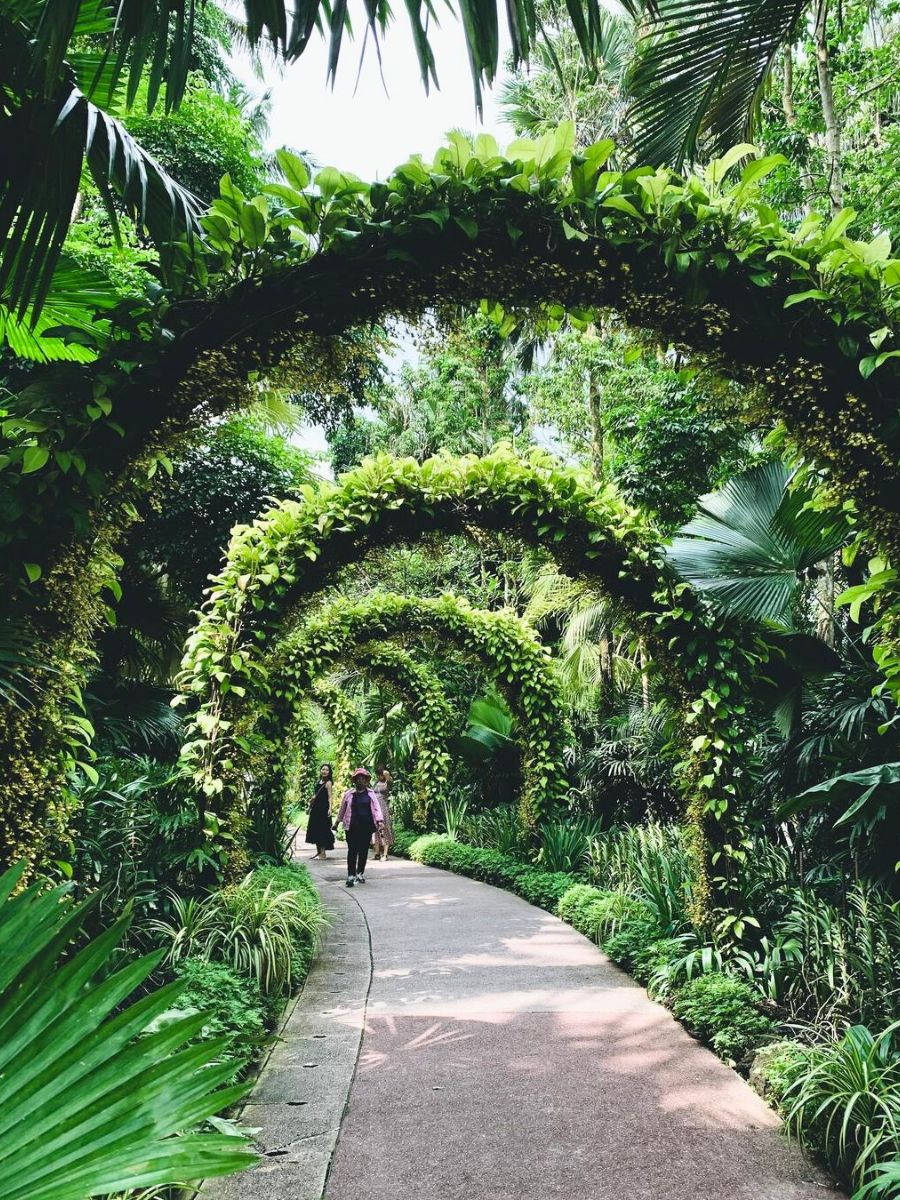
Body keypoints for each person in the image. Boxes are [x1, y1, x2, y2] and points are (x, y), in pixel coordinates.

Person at [334, 767, 385, 887]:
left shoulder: (371, 794)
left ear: (366, 781)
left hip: (366, 826)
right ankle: (350, 875)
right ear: (354, 780)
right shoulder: (348, 794)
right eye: (358, 778)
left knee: (363, 851)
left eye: (363, 778)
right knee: (352, 850)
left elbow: (377, 809)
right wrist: (336, 823)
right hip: (351, 826)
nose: (360, 780)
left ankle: (360, 873)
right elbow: (342, 809)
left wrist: (380, 821)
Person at [305, 763, 336, 859]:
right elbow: (316, 795)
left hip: (323, 809)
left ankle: (323, 853)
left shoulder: (328, 783)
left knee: (323, 830)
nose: (324, 771)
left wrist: (330, 809)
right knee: (315, 829)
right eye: (323, 769)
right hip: (316, 809)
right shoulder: (318, 781)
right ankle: (318, 851)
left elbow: (330, 797)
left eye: (327, 770)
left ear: (329, 772)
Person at [372, 764, 394, 861]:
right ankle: (377, 853)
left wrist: (385, 773)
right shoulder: (376, 783)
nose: (379, 776)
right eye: (378, 774)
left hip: (383, 809)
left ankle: (385, 854)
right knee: (375, 830)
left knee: (385, 830)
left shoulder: (387, 783)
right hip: (375, 809)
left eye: (380, 774)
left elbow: (389, 780)